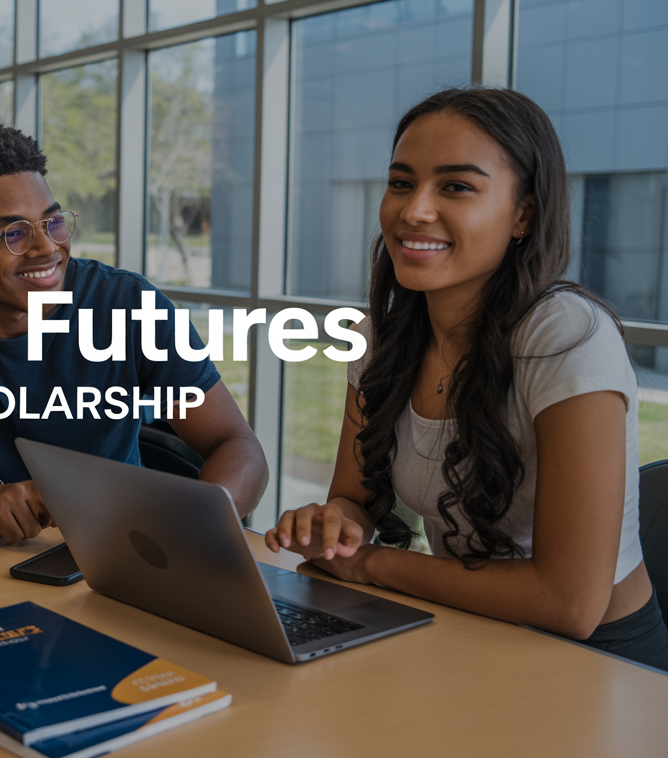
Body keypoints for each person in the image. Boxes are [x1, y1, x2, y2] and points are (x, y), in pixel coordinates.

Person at [265, 87, 668, 669]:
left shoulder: (566, 334)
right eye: (401, 182)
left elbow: (570, 603)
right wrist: (336, 528)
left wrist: (369, 564)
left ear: (524, 214)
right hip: (467, 630)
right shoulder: (383, 336)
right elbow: (355, 500)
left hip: (600, 661)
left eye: (455, 187)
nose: (414, 210)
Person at [0, 125, 268, 543]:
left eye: (53, 221)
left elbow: (237, 445)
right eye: (13, 233)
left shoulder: (126, 302)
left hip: (127, 547)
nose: (47, 248)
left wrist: (193, 527)